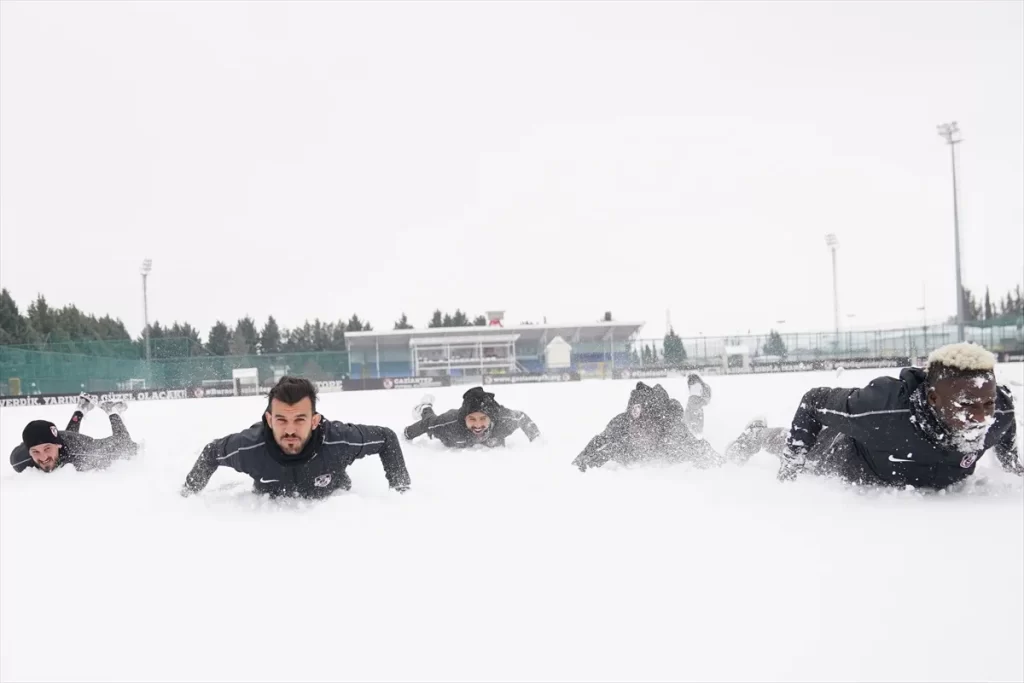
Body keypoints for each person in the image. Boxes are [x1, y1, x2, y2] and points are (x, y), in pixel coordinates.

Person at [727, 342, 1022, 489]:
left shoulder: (1000, 410)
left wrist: (1011, 465)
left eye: (988, 404)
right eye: (966, 406)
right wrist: (791, 468)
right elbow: (813, 402)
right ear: (933, 399)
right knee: (789, 444)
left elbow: (1004, 425)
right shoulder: (882, 408)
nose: (982, 417)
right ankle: (755, 435)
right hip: (845, 455)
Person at [181, 376, 411, 498]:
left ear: (314, 420)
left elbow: (386, 438)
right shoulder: (248, 448)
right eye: (281, 420)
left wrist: (401, 495)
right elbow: (212, 452)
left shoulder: (339, 440)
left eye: (300, 420)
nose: (290, 430)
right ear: (269, 420)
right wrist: (187, 495)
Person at [572, 378, 722, 471]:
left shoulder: (670, 430)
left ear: (655, 421)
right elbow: (599, 441)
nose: (640, 430)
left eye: (645, 425)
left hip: (667, 446)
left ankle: (696, 399)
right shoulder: (623, 424)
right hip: (636, 454)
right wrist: (578, 465)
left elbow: (699, 447)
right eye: (635, 421)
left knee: (693, 428)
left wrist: (719, 464)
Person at [9, 393, 137, 473]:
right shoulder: (19, 460)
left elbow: (126, 446)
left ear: (57, 445)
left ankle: (112, 410)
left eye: (47, 449)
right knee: (63, 443)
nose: (43, 457)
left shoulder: (83, 454)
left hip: (73, 444)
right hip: (56, 439)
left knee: (126, 445)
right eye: (35, 452)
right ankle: (82, 408)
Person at [402, 386, 541, 448]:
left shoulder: (503, 420)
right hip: (441, 425)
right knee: (430, 418)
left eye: (483, 419)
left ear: (491, 419)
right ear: (464, 419)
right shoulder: (449, 423)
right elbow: (428, 424)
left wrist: (536, 439)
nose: (478, 425)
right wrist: (407, 434)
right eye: (472, 419)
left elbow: (521, 417)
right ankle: (425, 406)